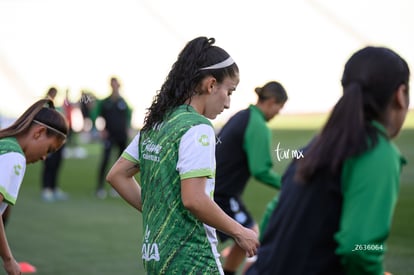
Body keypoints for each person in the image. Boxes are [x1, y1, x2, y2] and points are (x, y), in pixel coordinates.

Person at [245, 46, 410, 275]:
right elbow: (360, 247)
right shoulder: (378, 151)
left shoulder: (317, 146)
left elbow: (275, 211)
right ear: (400, 95)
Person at [106, 36, 259, 274]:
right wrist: (240, 232)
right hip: (191, 258)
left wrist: (159, 213)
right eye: (229, 91)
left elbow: (117, 175)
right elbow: (194, 199)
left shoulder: (158, 121)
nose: (228, 103)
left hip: (156, 253)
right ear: (210, 85)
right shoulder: (198, 128)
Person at [214, 81, 288, 275]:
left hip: (214, 187)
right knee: (251, 235)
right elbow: (260, 170)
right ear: (271, 102)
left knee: (248, 235)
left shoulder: (242, 116)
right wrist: (289, 184)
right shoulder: (258, 125)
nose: (277, 114)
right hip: (222, 193)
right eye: (279, 109)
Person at [0, 98, 68, 275]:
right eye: (49, 149)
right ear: (39, 132)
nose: (45, 157)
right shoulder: (15, 157)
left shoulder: (4, 145)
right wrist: (8, 261)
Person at [92, 77, 132, 198]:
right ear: (110, 85)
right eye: (113, 84)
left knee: (122, 163)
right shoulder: (105, 102)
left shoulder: (123, 102)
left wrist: (128, 127)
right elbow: (94, 114)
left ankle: (118, 188)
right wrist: (100, 130)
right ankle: (99, 188)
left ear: (119, 86)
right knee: (105, 160)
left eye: (116, 84)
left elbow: (129, 115)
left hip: (121, 136)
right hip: (109, 136)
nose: (115, 86)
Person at [41, 87, 70, 202]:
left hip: (59, 141)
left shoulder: (58, 107)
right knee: (49, 165)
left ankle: (53, 187)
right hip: (48, 141)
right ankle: (46, 189)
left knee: (57, 164)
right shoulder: (44, 107)